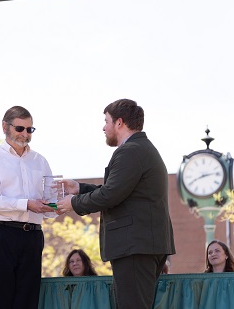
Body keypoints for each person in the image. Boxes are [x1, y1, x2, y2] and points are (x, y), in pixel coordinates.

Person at [56, 99, 175, 309]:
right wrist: (80, 188)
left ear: (119, 123)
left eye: (106, 121)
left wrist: (73, 203)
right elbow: (119, 192)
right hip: (142, 244)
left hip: (134, 246)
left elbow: (110, 195)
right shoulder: (141, 149)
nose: (104, 127)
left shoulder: (130, 151)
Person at [0, 105, 56, 309]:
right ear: (5, 127)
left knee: (27, 302)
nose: (25, 134)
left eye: (30, 129)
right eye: (20, 128)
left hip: (32, 237)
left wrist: (55, 206)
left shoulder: (40, 161)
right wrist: (27, 204)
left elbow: (50, 204)